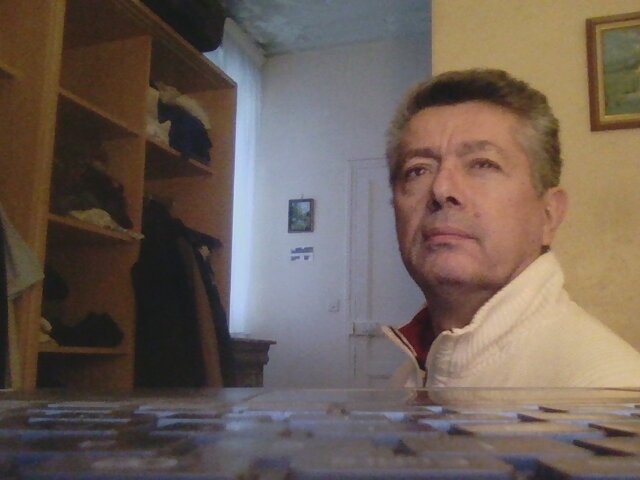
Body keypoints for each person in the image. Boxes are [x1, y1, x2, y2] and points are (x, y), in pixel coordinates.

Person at [382, 68, 640, 388]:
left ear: (549, 215)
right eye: (418, 170)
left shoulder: (607, 392)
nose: (441, 189)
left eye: (483, 164)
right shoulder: (406, 380)